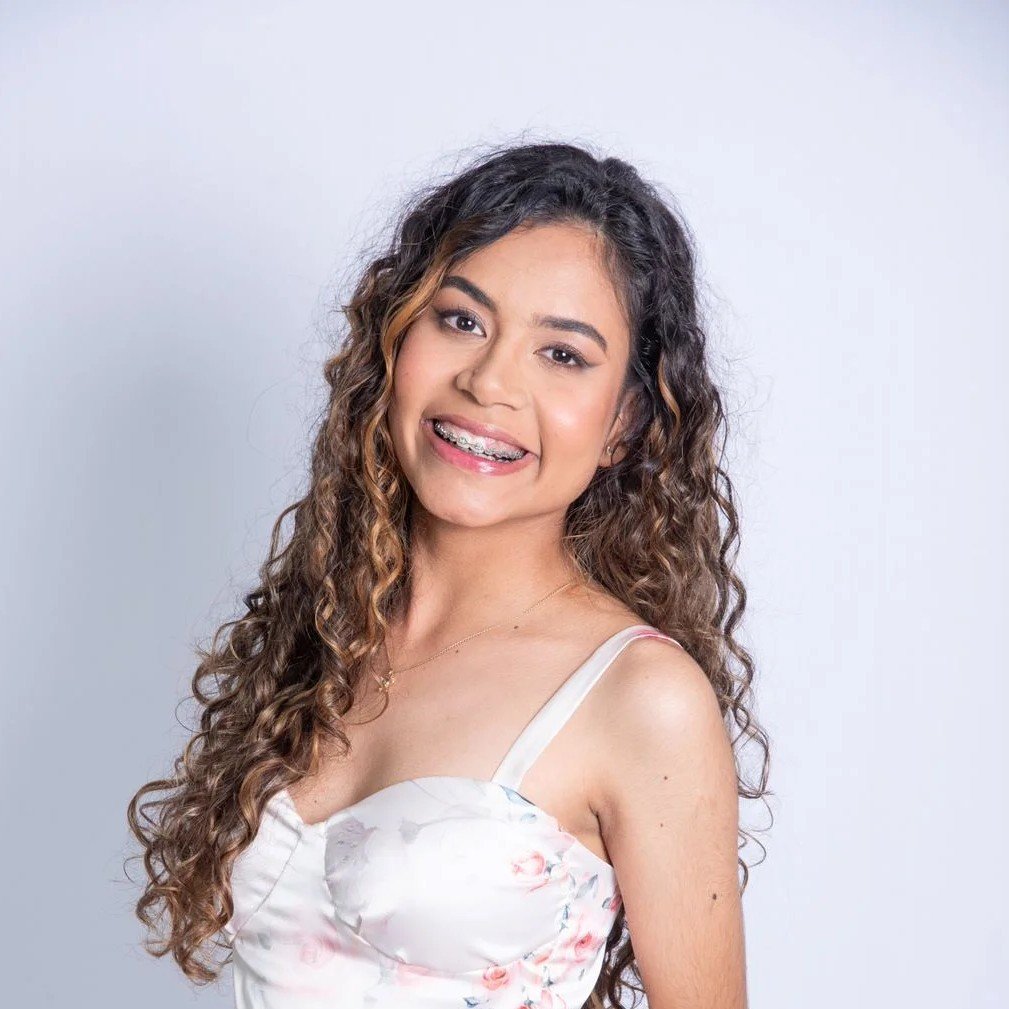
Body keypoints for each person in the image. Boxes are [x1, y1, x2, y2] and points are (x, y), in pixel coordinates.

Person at [127, 140, 768, 1009]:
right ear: (393, 337)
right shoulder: (322, 636)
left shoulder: (639, 696)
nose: (489, 381)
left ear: (624, 423)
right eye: (461, 320)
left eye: (562, 354)